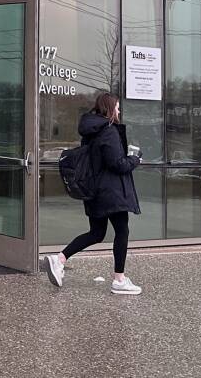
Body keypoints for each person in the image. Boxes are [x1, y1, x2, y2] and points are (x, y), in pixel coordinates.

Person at [45, 92, 143, 295]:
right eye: (117, 106)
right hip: (111, 191)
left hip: (95, 190)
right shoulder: (109, 132)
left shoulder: (91, 131)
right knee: (122, 231)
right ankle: (119, 279)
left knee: (97, 233)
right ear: (109, 108)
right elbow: (117, 164)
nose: (119, 110)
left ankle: (60, 259)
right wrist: (135, 159)